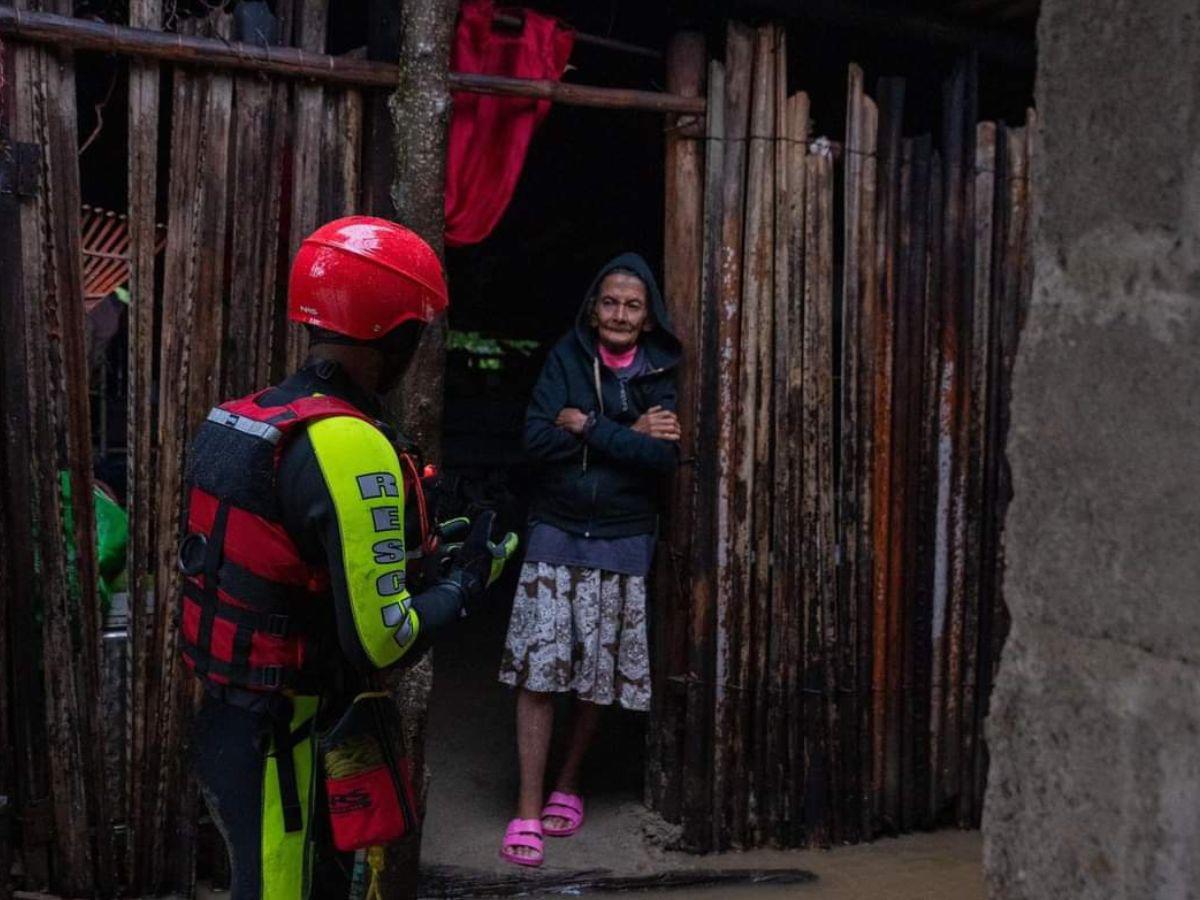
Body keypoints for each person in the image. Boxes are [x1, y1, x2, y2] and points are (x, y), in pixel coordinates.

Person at [179, 216, 518, 899]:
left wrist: (421, 553)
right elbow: (380, 640)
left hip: (226, 723)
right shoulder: (348, 442)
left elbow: (284, 562)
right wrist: (468, 585)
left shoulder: (238, 419)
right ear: (398, 336)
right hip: (290, 743)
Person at [497, 253, 682, 867]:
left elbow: (662, 460)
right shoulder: (564, 359)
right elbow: (536, 438)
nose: (620, 314)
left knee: (596, 670)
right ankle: (526, 808)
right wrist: (629, 432)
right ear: (593, 308)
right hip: (556, 527)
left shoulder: (659, 369)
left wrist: (592, 425)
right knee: (539, 669)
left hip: (625, 535)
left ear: (648, 317)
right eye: (610, 302)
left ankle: (568, 784)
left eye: (632, 305)